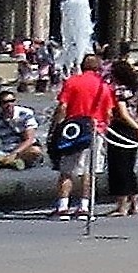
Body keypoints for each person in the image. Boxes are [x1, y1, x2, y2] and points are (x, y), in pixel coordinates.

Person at [50, 52, 113, 219]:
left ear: (82, 66)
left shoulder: (72, 82)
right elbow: (108, 113)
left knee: (66, 171)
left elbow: (63, 107)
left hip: (72, 131)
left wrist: (57, 127)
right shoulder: (104, 86)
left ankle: (63, 207)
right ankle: (84, 207)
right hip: (95, 131)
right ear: (99, 68)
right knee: (89, 171)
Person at [104, 61, 138, 217]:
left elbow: (122, 113)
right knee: (130, 167)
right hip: (134, 130)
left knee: (119, 167)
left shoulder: (119, 90)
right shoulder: (136, 89)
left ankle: (121, 206)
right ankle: (135, 204)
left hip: (121, 129)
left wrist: (135, 127)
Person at [0, 89, 43, 169]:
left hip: (25, 148)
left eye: (11, 101)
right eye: (5, 102)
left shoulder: (25, 114)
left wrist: (15, 153)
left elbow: (29, 139)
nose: (9, 104)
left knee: (35, 151)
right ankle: (10, 162)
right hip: (6, 150)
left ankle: (10, 161)